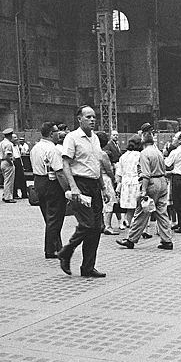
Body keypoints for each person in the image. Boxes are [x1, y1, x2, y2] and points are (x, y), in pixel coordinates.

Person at [58, 106, 108, 278]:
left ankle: (88, 267)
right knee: (87, 224)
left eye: (94, 117)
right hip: (80, 184)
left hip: (94, 185)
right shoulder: (72, 138)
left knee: (96, 228)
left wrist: (103, 187)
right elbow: (65, 165)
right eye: (88, 117)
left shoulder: (95, 138)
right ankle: (67, 251)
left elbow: (97, 165)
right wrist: (73, 188)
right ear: (79, 119)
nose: (92, 120)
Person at [118, 131, 174, 250]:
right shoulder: (158, 152)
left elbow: (146, 174)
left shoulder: (144, 154)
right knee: (162, 212)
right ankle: (167, 240)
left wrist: (143, 190)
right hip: (162, 181)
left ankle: (131, 239)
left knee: (141, 211)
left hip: (151, 183)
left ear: (142, 141)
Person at [29, 122, 66, 258]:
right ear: (51, 134)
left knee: (48, 216)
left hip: (39, 182)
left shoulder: (35, 148)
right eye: (57, 132)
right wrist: (67, 189)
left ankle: (57, 245)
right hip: (52, 184)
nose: (59, 134)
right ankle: (50, 250)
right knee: (55, 218)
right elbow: (59, 172)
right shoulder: (54, 149)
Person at [116, 135, 143, 233]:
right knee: (139, 206)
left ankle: (128, 222)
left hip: (126, 182)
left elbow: (119, 173)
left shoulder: (123, 156)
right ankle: (139, 228)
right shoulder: (140, 155)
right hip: (137, 181)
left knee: (130, 207)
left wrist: (119, 185)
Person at [96, 132, 118, 235]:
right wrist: (114, 179)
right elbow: (108, 169)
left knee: (99, 203)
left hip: (95, 180)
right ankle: (108, 226)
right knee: (109, 202)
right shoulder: (103, 154)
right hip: (105, 179)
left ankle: (100, 224)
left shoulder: (92, 152)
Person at [0, 128, 18, 202]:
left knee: (6, 180)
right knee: (9, 181)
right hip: (7, 163)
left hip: (2, 162)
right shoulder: (8, 144)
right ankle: (8, 197)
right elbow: (7, 155)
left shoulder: (2, 143)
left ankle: (5, 195)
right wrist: (11, 162)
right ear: (10, 135)